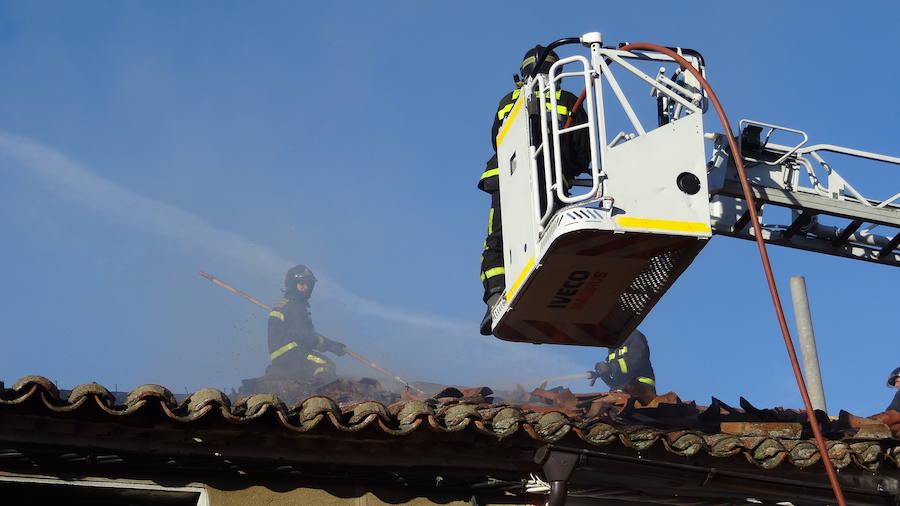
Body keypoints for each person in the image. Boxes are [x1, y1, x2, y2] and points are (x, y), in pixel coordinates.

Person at [479, 45, 590, 335]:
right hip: (552, 182)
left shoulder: (508, 100)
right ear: (559, 72)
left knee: (500, 240)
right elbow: (582, 149)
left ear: (523, 72)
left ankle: (495, 299)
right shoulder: (567, 100)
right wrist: (568, 166)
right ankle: (546, 302)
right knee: (550, 239)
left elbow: (497, 140)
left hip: (506, 180)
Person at [266, 264, 347, 383]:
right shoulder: (294, 306)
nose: (306, 288)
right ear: (293, 285)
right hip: (292, 354)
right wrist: (331, 346)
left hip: (284, 355)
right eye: (302, 284)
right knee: (326, 365)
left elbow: (305, 334)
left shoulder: (287, 304)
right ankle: (314, 393)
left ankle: (305, 385)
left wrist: (330, 344)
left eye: (308, 285)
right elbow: (304, 335)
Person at [587, 330, 657, 402]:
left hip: (640, 387)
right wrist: (604, 374)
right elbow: (615, 380)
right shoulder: (613, 346)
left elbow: (636, 360)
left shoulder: (634, 336)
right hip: (620, 390)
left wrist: (611, 367)